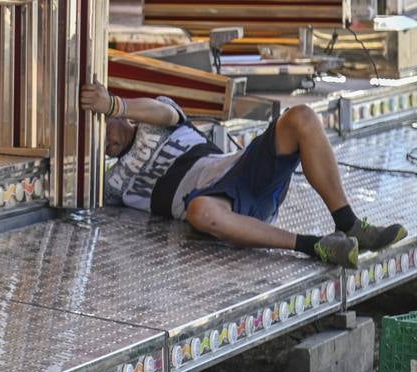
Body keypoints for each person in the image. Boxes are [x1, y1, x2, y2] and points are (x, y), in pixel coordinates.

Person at [80, 81, 407, 266]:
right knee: (200, 211)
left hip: (237, 171)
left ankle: (348, 222)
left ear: (125, 119)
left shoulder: (154, 121)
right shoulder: (112, 182)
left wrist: (112, 104)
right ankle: (316, 245)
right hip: (214, 208)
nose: (105, 142)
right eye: (97, 143)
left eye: (103, 129)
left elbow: (163, 110)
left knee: (301, 117)